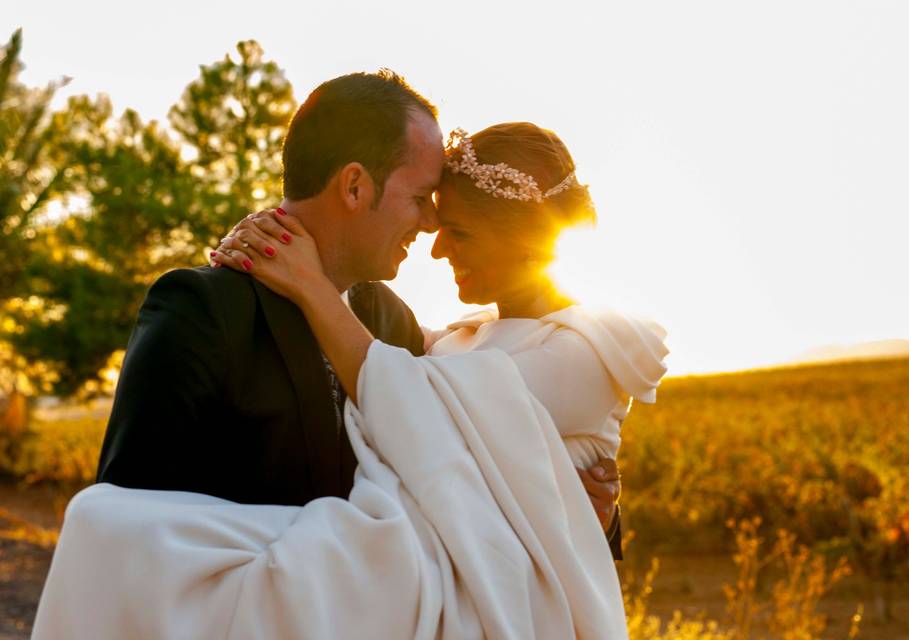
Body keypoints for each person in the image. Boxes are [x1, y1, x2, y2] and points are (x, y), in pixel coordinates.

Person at [33, 81, 665, 639]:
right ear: (356, 185)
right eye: (420, 199)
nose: (429, 231)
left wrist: (594, 516)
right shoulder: (204, 310)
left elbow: (470, 446)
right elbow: (140, 527)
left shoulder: (392, 325)